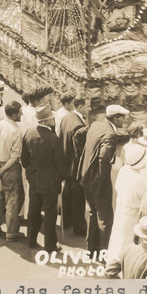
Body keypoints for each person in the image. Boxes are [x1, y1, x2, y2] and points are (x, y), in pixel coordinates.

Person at [78, 103, 130, 253]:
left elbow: (79, 135)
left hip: (86, 176)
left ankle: (91, 249)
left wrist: (82, 157)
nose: (125, 120)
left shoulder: (96, 124)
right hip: (98, 182)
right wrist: (104, 181)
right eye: (123, 117)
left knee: (93, 214)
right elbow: (103, 158)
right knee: (105, 219)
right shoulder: (110, 134)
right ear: (116, 119)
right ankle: (106, 252)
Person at [21, 102, 66, 253]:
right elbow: (60, 164)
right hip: (51, 181)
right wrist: (62, 178)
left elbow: (24, 159)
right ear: (46, 121)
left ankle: (31, 240)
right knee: (50, 213)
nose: (54, 121)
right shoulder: (54, 139)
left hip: (34, 179)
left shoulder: (29, 133)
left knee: (33, 210)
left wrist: (31, 172)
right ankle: (50, 244)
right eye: (52, 118)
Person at [105, 142, 147, 265]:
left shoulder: (124, 171)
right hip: (132, 217)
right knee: (128, 245)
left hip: (120, 212)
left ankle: (112, 267)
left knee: (117, 241)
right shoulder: (141, 182)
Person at [0, 100, 25, 241]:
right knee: (12, 202)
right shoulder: (16, 131)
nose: (22, 114)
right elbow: (15, 157)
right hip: (10, 168)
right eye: (20, 112)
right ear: (14, 115)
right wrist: (2, 170)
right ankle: (11, 232)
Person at [59, 97, 90, 237]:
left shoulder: (67, 118)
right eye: (87, 106)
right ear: (80, 107)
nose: (89, 109)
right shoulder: (78, 125)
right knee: (78, 197)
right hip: (75, 167)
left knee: (68, 194)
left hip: (65, 162)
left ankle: (67, 220)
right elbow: (80, 152)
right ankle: (79, 227)